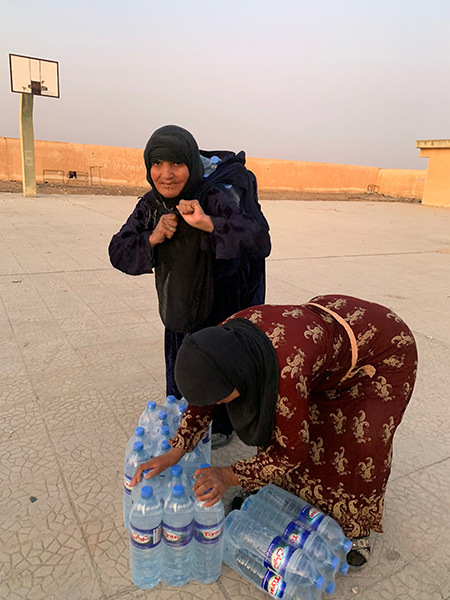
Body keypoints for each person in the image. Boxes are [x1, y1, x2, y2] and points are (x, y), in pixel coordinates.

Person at [131, 294, 418, 567]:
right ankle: (289, 499)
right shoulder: (224, 343)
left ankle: (355, 530)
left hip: (381, 353)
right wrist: (176, 450)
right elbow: (205, 398)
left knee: (357, 443)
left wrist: (228, 475)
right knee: (305, 427)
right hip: (321, 345)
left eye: (221, 397)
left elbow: (291, 451)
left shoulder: (287, 372)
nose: (218, 405)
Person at [109, 125, 271, 447]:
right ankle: (186, 415)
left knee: (222, 364)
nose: (165, 175)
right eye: (157, 164)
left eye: (176, 164)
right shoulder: (151, 204)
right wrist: (152, 237)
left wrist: (207, 223)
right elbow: (118, 249)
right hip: (181, 302)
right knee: (183, 364)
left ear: (191, 165)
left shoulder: (215, 195)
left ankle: (223, 424)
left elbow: (258, 238)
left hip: (226, 301)